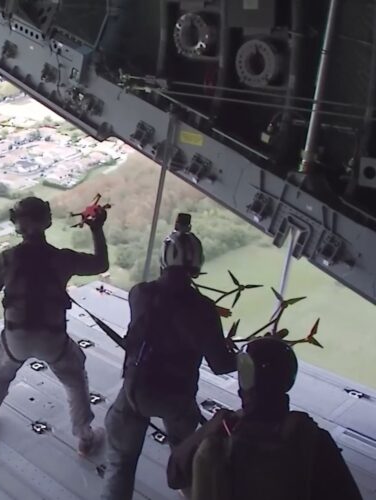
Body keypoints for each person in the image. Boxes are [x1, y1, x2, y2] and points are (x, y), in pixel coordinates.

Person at [102, 213, 237, 500]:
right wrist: (240, 355)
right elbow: (221, 364)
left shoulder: (139, 294)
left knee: (121, 466)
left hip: (135, 392)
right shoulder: (204, 309)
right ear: (196, 266)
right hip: (177, 399)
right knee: (186, 465)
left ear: (163, 260)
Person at [0, 196, 108, 456]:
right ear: (47, 221)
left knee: (0, 377)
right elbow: (100, 264)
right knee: (75, 381)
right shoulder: (63, 259)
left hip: (15, 338)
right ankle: (84, 437)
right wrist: (96, 229)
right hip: (53, 339)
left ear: (16, 224)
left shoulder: (6, 259)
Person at [167, 337, 363, 500]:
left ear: (244, 379)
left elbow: (175, 474)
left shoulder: (223, 428)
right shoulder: (314, 438)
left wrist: (214, 426)